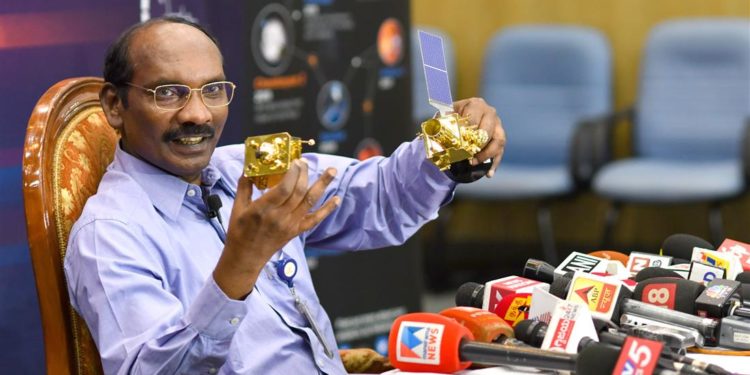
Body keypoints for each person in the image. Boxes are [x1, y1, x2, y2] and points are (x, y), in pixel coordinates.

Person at [64, 16, 505, 374]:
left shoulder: (250, 167)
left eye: (213, 90)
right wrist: (239, 266)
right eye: (169, 93)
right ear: (115, 106)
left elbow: (383, 197)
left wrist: (450, 148)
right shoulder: (110, 235)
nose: (197, 114)